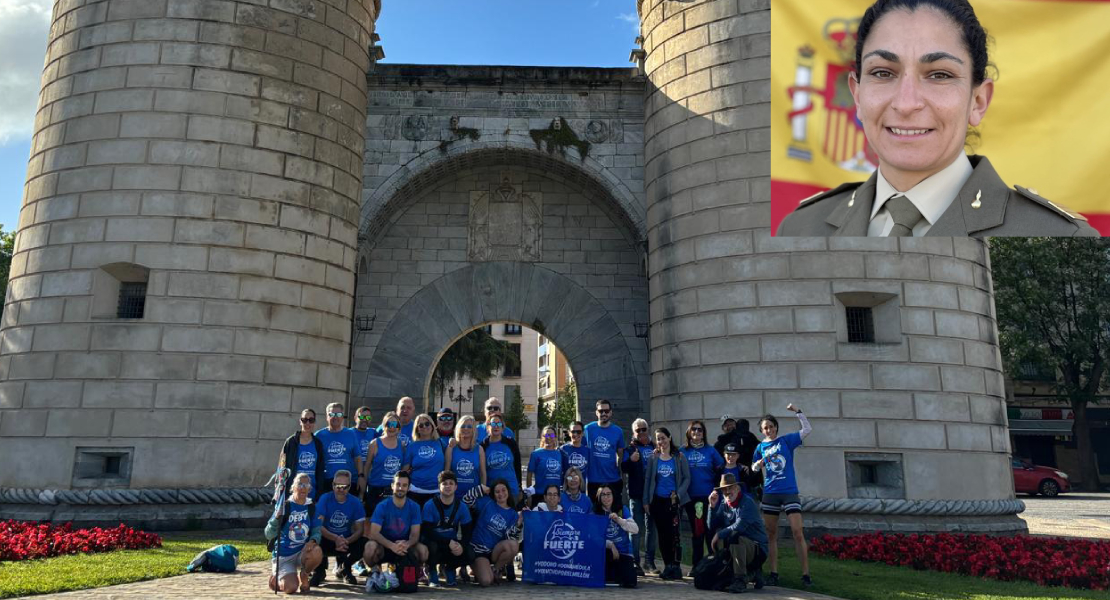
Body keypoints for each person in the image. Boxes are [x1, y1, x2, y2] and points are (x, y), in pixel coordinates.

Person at [776, 0, 1098, 237]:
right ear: (857, 95)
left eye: (939, 75)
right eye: (883, 72)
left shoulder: (1062, 237)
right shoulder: (800, 228)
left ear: (978, 101)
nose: (906, 103)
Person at [752, 405, 813, 587]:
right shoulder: (760, 446)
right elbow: (754, 467)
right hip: (770, 493)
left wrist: (798, 411)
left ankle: (805, 574)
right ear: (762, 431)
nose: (769, 430)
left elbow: (807, 429)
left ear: (776, 427)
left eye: (771, 426)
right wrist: (759, 464)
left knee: (797, 532)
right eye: (765, 428)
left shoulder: (786, 441)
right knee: (771, 534)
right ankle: (773, 572)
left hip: (789, 492)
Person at [643, 426, 690, 581]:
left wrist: (679, 494)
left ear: (669, 438)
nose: (661, 441)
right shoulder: (653, 457)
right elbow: (649, 479)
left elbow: (686, 478)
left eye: (663, 438)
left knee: (674, 535)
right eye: (658, 439)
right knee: (662, 535)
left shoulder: (679, 457)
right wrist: (646, 501)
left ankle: (675, 565)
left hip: (673, 501)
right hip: (657, 501)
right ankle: (667, 565)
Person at [708, 474, 768, 594]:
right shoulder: (724, 504)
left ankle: (740, 579)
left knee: (734, 536)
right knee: (722, 534)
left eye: (730, 488)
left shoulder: (747, 503)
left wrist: (719, 535)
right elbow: (711, 526)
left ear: (737, 488)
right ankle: (751, 573)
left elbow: (739, 527)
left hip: (758, 550)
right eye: (724, 489)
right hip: (739, 548)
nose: (727, 492)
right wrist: (712, 507)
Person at [265, 472, 324, 594]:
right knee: (290, 588)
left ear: (309, 489)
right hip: (284, 555)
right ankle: (275, 579)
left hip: (302, 552)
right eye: (300, 484)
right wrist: (276, 519)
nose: (303, 487)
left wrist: (312, 541)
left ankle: (304, 574)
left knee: (317, 551)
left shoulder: (311, 507)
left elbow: (317, 531)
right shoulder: (285, 506)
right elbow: (268, 534)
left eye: (306, 484)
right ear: (293, 487)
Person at [311, 470, 370, 587]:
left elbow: (360, 530)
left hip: (346, 541)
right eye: (337, 486)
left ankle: (346, 568)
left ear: (349, 487)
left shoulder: (355, 502)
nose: (341, 489)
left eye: (344, 486)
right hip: (327, 539)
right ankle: (319, 571)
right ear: (333, 485)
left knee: (365, 544)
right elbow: (319, 525)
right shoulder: (324, 499)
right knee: (313, 539)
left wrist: (346, 540)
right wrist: (335, 538)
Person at [462, 479, 523, 586]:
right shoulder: (487, 503)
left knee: (513, 545)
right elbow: (465, 501)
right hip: (478, 550)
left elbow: (510, 537)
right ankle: (476, 566)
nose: (501, 494)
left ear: (508, 491)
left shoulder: (513, 513)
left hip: (494, 551)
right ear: (493, 494)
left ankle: (495, 569)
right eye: (497, 491)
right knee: (486, 581)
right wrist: (480, 489)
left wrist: (518, 524)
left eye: (503, 490)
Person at [366, 471, 428, 575]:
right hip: (384, 546)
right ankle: (375, 570)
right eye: (398, 484)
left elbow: (415, 535)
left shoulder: (414, 507)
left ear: (408, 488)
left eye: (404, 485)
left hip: (404, 547)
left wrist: (406, 544)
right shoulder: (382, 506)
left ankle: (416, 569)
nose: (400, 488)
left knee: (423, 551)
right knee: (370, 548)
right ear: (392, 486)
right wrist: (391, 546)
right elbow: (374, 533)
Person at [682, 419, 725, 567]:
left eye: (700, 430)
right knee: (697, 532)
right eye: (694, 429)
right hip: (690, 498)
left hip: (708, 497)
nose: (696, 432)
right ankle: (697, 565)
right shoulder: (682, 451)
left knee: (710, 531)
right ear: (689, 432)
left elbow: (722, 468)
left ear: (704, 433)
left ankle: (714, 564)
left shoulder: (711, 450)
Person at [421, 471, 474, 587]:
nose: (448, 486)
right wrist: (447, 542)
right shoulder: (430, 505)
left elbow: (467, 532)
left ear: (456, 487)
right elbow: (427, 532)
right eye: (444, 483)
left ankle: (450, 569)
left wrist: (461, 546)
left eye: (451, 483)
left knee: (470, 552)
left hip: (451, 545)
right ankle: (432, 570)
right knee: (431, 546)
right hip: (435, 543)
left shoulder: (462, 507)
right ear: (439, 487)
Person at [621, 417, 657, 575]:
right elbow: (622, 467)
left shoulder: (655, 446)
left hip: (653, 494)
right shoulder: (629, 449)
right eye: (638, 430)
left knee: (651, 529)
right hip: (636, 494)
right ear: (633, 432)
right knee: (635, 529)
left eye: (644, 429)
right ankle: (635, 562)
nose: (641, 432)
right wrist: (630, 460)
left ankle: (650, 561)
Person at [363, 412, 408, 519]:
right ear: (383, 425)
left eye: (394, 425)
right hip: (376, 490)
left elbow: (403, 468)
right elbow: (367, 467)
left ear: (399, 427)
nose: (391, 428)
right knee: (373, 521)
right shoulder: (374, 443)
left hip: (394, 491)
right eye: (388, 424)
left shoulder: (401, 445)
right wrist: (362, 490)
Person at [595, 485, 638, 588]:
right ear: (599, 497)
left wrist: (619, 520)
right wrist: (610, 545)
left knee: (630, 582)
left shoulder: (622, 509)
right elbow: (593, 537)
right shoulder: (595, 512)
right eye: (603, 495)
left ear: (613, 495)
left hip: (624, 552)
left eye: (608, 494)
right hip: (605, 552)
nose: (606, 497)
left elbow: (635, 529)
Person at [585, 399, 625, 508]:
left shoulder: (618, 431)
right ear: (596, 412)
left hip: (613, 479)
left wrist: (621, 474)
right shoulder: (588, 429)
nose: (603, 413)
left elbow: (620, 454)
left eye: (606, 411)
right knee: (595, 514)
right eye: (601, 411)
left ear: (611, 412)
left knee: (615, 513)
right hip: (594, 480)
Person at [278, 409, 325, 501]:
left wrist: (319, 492)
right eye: (304, 420)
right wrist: (280, 491)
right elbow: (281, 467)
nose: (307, 423)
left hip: (312, 492)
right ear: (300, 421)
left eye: (311, 420)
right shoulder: (290, 442)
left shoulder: (318, 443)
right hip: (293, 492)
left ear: (314, 422)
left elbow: (320, 469)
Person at [315, 403, 361, 496]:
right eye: (332, 414)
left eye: (338, 414)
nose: (335, 417)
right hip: (327, 482)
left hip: (348, 481)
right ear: (327, 416)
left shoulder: (351, 434)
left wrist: (361, 476)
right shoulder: (319, 435)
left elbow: (357, 457)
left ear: (343, 417)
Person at [481, 415, 523, 505]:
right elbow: (481, 471)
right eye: (493, 423)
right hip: (492, 492)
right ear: (488, 426)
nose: (496, 426)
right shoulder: (483, 446)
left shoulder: (510, 443)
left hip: (511, 491)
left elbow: (517, 466)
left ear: (503, 427)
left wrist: (520, 488)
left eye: (499, 423)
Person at [406, 413, 446, 507]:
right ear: (417, 429)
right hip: (415, 491)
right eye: (420, 425)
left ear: (432, 426)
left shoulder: (440, 443)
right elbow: (405, 470)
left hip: (437, 491)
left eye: (427, 424)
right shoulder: (411, 446)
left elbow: (449, 461)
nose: (424, 427)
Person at [445, 414, 486, 499]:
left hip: (474, 497)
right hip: (454, 496)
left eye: (469, 426)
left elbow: (483, 473)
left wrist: (482, 492)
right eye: (463, 426)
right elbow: (446, 472)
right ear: (458, 428)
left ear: (474, 430)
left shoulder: (479, 449)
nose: (466, 428)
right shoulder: (451, 447)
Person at [526, 426, 565, 508]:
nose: (549, 438)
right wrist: (529, 495)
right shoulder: (536, 454)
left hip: (555, 496)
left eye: (552, 436)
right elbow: (529, 475)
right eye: (546, 436)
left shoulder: (560, 454)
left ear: (555, 437)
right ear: (542, 437)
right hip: (539, 495)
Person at [350, 406, 378, 495]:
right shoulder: (348, 433)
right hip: (352, 477)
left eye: (368, 417)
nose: (364, 420)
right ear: (355, 418)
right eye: (361, 417)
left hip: (369, 477)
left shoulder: (374, 432)